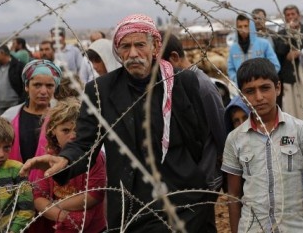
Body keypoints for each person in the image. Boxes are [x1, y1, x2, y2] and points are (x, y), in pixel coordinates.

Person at [21, 14, 217, 233]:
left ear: (154, 47)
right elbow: (85, 143)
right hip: (134, 202)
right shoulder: (101, 90)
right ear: (118, 50)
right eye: (125, 46)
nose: (133, 53)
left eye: (140, 45)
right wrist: (64, 159)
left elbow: (199, 137)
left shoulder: (183, 83)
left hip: (184, 198)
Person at [222, 57, 303, 233]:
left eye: (265, 88)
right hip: (252, 228)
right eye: (250, 91)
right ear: (242, 96)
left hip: (294, 228)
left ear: (278, 88)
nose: (259, 97)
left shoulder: (301, 131)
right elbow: (233, 196)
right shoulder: (234, 139)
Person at [161, 32, 226, 191]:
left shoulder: (202, 87)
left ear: (174, 58)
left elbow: (220, 130)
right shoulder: (173, 86)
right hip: (187, 176)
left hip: (205, 175)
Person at [33, 99, 106, 232]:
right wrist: (63, 217)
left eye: (77, 131)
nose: (72, 136)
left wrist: (54, 205)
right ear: (53, 130)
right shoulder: (50, 157)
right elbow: (38, 197)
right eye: (65, 130)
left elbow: (95, 195)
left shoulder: (94, 157)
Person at [2, 59, 62, 164]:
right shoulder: (9, 117)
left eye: (49, 86)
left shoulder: (61, 117)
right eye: (37, 85)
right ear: (26, 86)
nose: (43, 91)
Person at [274, 4, 303, 118]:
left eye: (293, 14)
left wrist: (299, 52)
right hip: (289, 75)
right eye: (288, 15)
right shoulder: (281, 34)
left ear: (299, 15)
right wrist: (289, 33)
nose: (291, 17)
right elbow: (281, 51)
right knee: (291, 107)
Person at [227, 14, 280, 85]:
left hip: (262, 85)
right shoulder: (233, 48)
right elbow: (230, 69)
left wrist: (262, 79)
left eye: (246, 26)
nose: (243, 29)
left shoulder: (264, 44)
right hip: (242, 88)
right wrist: (237, 80)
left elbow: (275, 66)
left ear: (251, 26)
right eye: (240, 27)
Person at [0, 44, 26, 115]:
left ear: (2, 53)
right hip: (0, 106)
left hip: (14, 104)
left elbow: (24, 85)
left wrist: (21, 102)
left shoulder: (18, 66)